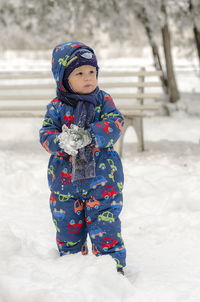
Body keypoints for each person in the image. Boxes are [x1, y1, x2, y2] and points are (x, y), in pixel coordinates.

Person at [39, 42, 126, 274]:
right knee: (68, 231)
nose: (88, 78)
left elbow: (115, 124)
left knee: (105, 227)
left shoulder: (103, 101)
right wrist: (61, 142)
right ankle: (72, 270)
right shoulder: (56, 108)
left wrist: (90, 135)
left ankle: (110, 271)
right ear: (63, 78)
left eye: (92, 72)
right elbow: (46, 135)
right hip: (65, 185)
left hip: (103, 181)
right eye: (79, 73)